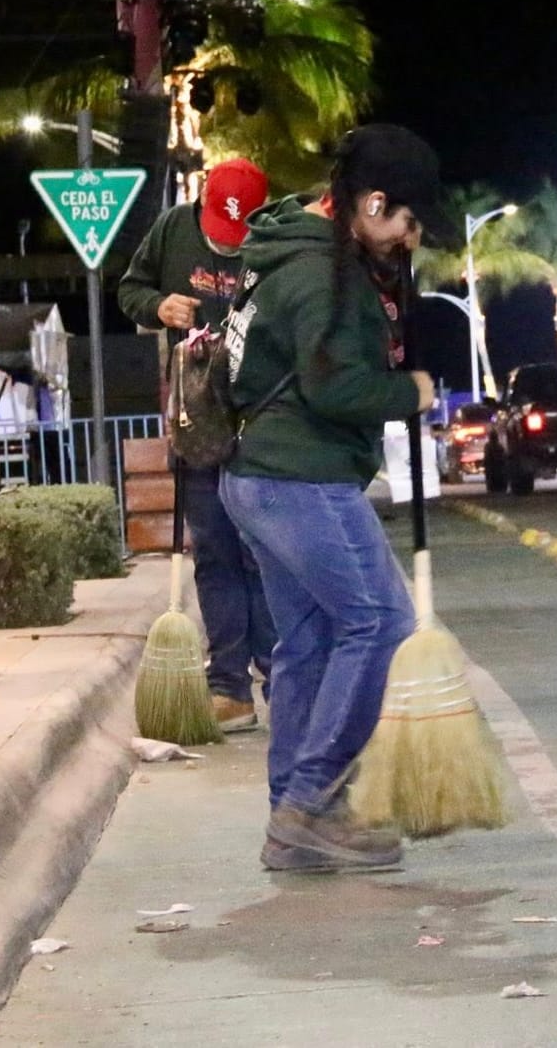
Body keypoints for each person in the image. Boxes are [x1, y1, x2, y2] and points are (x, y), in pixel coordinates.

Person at [216, 124, 456, 872]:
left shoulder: (300, 248)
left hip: (255, 474)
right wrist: (409, 391)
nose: (410, 240)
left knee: (310, 645)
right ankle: (313, 801)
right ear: (372, 202)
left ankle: (294, 816)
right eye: (408, 223)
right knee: (381, 623)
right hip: (299, 475)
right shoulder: (322, 274)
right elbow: (333, 385)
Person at [118, 156, 276, 733]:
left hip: (261, 419)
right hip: (197, 418)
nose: (226, 244)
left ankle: (281, 676)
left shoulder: (278, 242)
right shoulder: (173, 230)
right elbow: (130, 289)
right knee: (215, 552)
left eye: (238, 236)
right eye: (219, 232)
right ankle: (229, 686)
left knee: (266, 552)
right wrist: (158, 306)